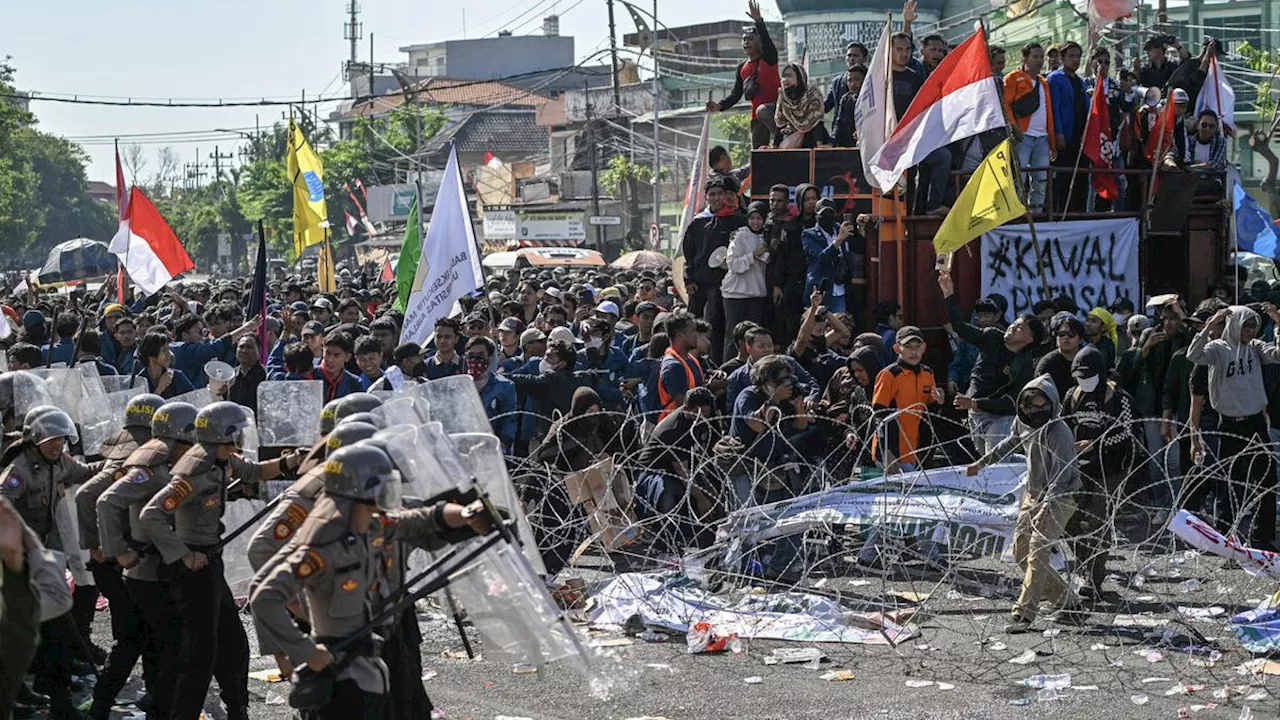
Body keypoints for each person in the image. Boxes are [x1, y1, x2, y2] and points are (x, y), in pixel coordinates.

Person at [249, 444, 490, 719]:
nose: (390, 492)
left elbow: (420, 519)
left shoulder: (371, 526)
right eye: (382, 485)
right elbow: (264, 595)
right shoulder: (325, 544)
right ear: (359, 491)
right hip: (340, 671)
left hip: (369, 663)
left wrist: (466, 516)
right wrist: (305, 651)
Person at [138, 402, 301, 720]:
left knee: (233, 643)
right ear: (220, 436)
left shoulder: (221, 460)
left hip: (212, 563)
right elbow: (152, 515)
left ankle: (237, 708)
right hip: (193, 569)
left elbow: (253, 471)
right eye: (235, 433)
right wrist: (184, 555)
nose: (240, 439)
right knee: (201, 653)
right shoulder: (195, 470)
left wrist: (290, 461)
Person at [93, 401, 200, 720]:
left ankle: (145, 707)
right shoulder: (152, 468)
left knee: (149, 646)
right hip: (146, 574)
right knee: (162, 647)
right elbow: (105, 500)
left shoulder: (167, 462)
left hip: (156, 572)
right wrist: (117, 549)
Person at [968, 375, 1084, 633]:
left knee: (1037, 549)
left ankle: (1024, 613)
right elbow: (1011, 443)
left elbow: (1062, 478)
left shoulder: (1059, 432)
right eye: (1030, 406)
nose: (1036, 411)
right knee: (1021, 550)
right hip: (1034, 494)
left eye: (1043, 406)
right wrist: (982, 463)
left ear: (1052, 404)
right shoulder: (1023, 422)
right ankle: (1067, 600)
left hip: (1061, 496)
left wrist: (1045, 506)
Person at [1186, 304, 1280, 550]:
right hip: (1228, 424)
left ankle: (1262, 537)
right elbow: (1194, 355)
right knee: (1230, 483)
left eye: (1253, 326)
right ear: (1234, 324)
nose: (1249, 330)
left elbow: (1278, 355)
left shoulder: (1256, 348)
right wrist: (1210, 325)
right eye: (1245, 325)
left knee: (1266, 479)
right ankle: (1228, 538)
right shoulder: (1218, 349)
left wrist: (1278, 322)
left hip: (1255, 423)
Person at [939, 270, 1045, 455]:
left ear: (1029, 339)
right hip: (974, 413)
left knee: (995, 462)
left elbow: (1011, 402)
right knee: (987, 466)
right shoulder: (992, 336)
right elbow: (961, 328)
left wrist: (975, 402)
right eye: (1015, 323)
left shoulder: (1024, 365)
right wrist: (949, 294)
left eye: (1020, 327)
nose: (1013, 326)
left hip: (1000, 418)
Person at [1060, 346, 1137, 599]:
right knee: (1067, 520)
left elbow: (1126, 431)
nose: (1085, 380)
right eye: (1080, 375)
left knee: (1098, 522)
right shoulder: (1073, 394)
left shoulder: (1118, 397)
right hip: (1080, 467)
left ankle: (1093, 578)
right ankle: (1085, 563)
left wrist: (1096, 443)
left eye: (1089, 375)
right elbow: (1061, 425)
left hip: (1111, 469)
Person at [634, 387, 721, 550]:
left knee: (713, 498)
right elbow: (682, 471)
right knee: (668, 499)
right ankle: (665, 540)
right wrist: (700, 498)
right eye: (699, 414)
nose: (703, 419)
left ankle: (712, 539)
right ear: (687, 409)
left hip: (682, 467)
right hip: (654, 472)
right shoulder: (673, 429)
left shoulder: (702, 417)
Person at [681, 174, 744, 366]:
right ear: (706, 197)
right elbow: (688, 254)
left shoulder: (736, 221)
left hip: (721, 284)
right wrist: (688, 279)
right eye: (712, 194)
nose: (717, 198)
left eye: (720, 194)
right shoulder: (698, 222)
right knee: (692, 323)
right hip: (699, 283)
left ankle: (714, 364)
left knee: (715, 326)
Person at [889, 31, 950, 214]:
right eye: (899, 49)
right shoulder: (880, 78)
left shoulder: (915, 77)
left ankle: (930, 208)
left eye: (907, 49)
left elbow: (924, 107)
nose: (904, 53)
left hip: (912, 138)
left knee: (942, 157)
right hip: (887, 141)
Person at [706, 0, 780, 148]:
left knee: (781, 150)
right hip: (757, 119)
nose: (746, 43)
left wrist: (759, 21)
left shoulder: (769, 59)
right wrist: (720, 106)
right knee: (760, 158)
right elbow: (736, 94)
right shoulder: (742, 68)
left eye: (751, 39)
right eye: (744, 39)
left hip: (777, 113)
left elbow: (768, 42)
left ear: (759, 42)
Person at [870, 326, 944, 474]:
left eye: (918, 347)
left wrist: (939, 402)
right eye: (908, 347)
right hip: (892, 451)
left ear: (924, 348)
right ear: (897, 348)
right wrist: (886, 451)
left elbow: (930, 413)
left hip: (915, 449)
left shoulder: (927, 374)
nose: (914, 352)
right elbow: (878, 415)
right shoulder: (889, 375)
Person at [1004, 42, 1057, 211]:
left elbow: (1048, 112)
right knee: (1019, 179)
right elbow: (1005, 104)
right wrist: (1013, 126)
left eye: (1041, 57)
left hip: (1042, 139)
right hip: (1023, 136)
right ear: (1024, 58)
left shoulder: (1044, 82)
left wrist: (1052, 143)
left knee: (1041, 180)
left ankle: (1036, 216)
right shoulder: (1013, 78)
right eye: (1035, 57)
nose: (1039, 60)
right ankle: (1017, 215)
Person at [721, 200, 771, 360]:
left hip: (756, 294)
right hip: (735, 294)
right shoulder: (740, 236)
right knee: (733, 337)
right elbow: (733, 263)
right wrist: (753, 255)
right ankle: (728, 369)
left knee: (754, 336)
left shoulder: (767, 236)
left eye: (759, 219)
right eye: (752, 218)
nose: (755, 222)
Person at [802, 206, 867, 315]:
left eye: (830, 215)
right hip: (820, 290)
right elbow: (820, 259)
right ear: (817, 216)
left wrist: (861, 229)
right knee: (818, 326)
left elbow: (858, 248)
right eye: (824, 215)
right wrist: (838, 240)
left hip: (840, 289)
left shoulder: (840, 229)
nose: (827, 219)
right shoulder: (809, 234)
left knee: (839, 325)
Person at [1049, 41, 1088, 213]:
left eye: (1078, 56)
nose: (1075, 60)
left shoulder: (1081, 82)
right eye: (1071, 56)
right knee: (1062, 182)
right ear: (1062, 58)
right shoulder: (1055, 79)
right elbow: (1054, 108)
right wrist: (1058, 133)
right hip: (1064, 137)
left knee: (1080, 183)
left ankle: (1078, 217)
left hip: (1080, 139)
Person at [465, 336, 518, 453]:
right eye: (471, 356)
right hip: (466, 450)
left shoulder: (504, 386)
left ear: (489, 358)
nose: (475, 360)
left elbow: (509, 420)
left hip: (493, 450)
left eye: (480, 356)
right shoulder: (460, 385)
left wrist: (502, 445)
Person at [1163, 108, 1227, 195]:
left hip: (1210, 181)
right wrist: (1169, 162)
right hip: (1189, 179)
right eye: (1204, 125)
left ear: (1216, 128)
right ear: (1198, 125)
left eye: (1211, 126)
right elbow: (1172, 154)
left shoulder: (1220, 142)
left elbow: (1214, 165)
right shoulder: (1188, 141)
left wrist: (1189, 168)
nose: (1207, 129)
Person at [657, 312, 706, 422]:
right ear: (680, 335)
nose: (696, 335)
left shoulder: (689, 359)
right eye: (692, 331)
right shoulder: (673, 367)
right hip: (676, 429)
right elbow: (685, 405)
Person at [773, 62, 829, 148]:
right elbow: (780, 122)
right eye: (784, 76)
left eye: (789, 76)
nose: (785, 79)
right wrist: (774, 145)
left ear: (799, 78)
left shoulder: (812, 94)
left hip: (813, 137)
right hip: (793, 136)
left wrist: (819, 145)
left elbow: (817, 122)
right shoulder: (783, 96)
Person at [1035, 314, 1086, 400]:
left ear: (1081, 339)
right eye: (1061, 334)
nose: (1065, 338)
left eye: (1071, 334)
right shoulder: (1048, 363)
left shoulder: (1087, 359)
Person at [133, 330, 196, 399]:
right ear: (151, 354)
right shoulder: (140, 382)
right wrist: (159, 390)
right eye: (164, 350)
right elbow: (139, 408)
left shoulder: (176, 376)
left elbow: (195, 398)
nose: (169, 354)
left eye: (169, 349)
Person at [317, 331, 364, 402]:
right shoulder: (309, 376)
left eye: (336, 355)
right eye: (328, 353)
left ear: (347, 357)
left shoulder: (354, 384)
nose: (330, 359)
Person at [225, 335, 266, 413]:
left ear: (259, 351)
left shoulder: (265, 375)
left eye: (249, 347)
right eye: (241, 347)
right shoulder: (230, 375)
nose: (244, 350)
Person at [873, 301, 903, 368]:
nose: (901, 322)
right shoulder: (892, 336)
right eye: (900, 317)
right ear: (891, 317)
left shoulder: (875, 333)